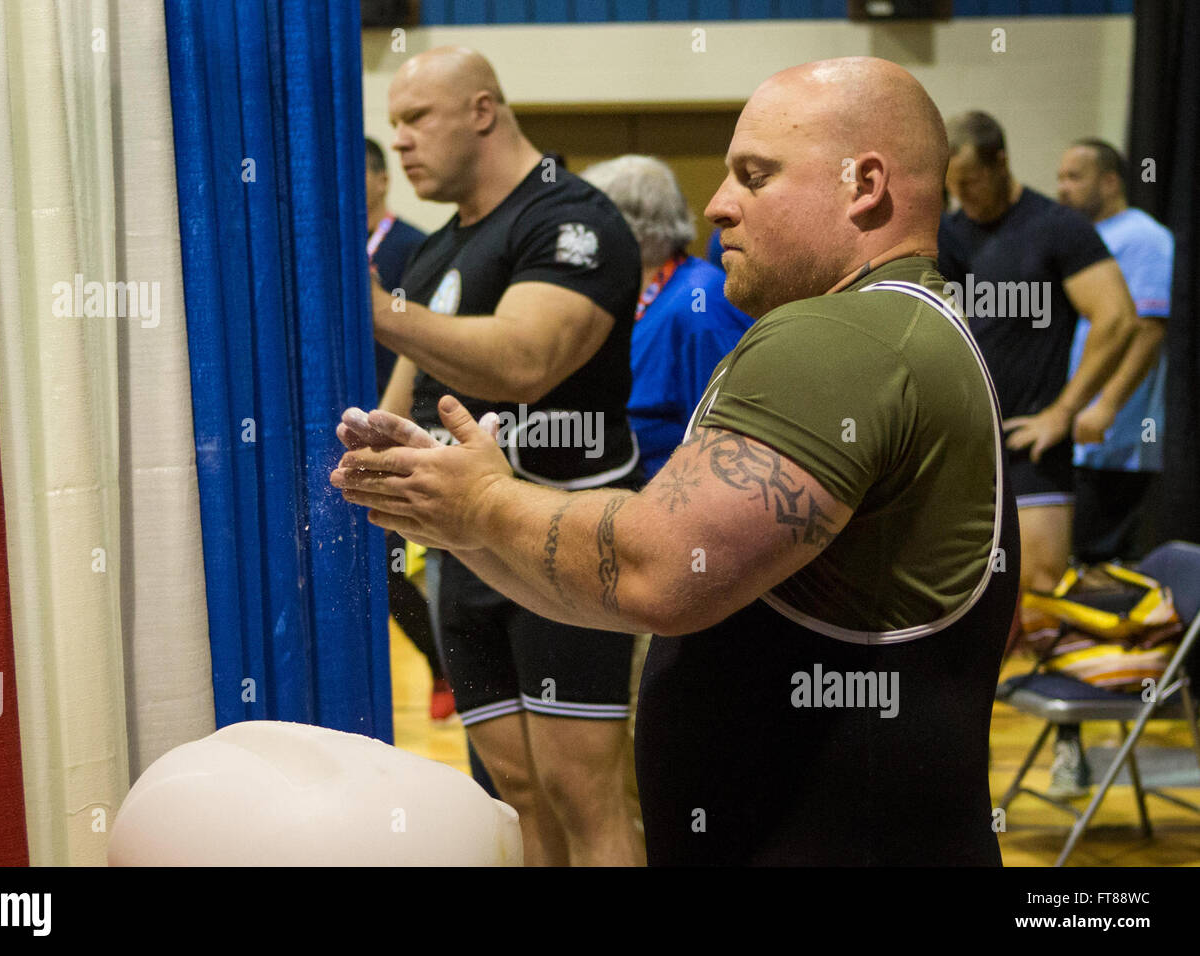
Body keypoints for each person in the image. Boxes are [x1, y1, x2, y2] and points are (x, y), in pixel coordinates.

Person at [335, 56, 1021, 865]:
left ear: (862, 184)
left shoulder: (841, 339)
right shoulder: (899, 328)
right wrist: (453, 510)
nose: (716, 205)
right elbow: (630, 593)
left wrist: (485, 504)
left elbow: (661, 571)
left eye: (754, 177)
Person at [370, 47, 645, 866]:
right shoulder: (434, 252)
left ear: (483, 110)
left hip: (564, 542)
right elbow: (405, 396)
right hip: (468, 556)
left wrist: (376, 306)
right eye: (395, 125)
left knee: (585, 793)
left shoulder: (572, 220)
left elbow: (525, 361)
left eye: (416, 118)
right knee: (516, 790)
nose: (403, 141)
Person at [937, 112, 1141, 623]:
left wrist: (1064, 411)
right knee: (952, 591)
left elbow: (1117, 318)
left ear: (1001, 161)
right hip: (961, 438)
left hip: (1032, 439)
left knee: (1038, 587)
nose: (964, 195)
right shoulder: (947, 234)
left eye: (972, 181)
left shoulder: (1056, 227)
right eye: (953, 186)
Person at [1045, 138, 1175, 799]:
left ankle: (1083, 736)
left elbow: (1148, 332)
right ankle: (1080, 732)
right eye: (1059, 177)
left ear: (1111, 180)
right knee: (1070, 583)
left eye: (1075, 176)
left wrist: (1105, 405)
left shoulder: (1143, 237)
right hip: (1073, 440)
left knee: (1089, 583)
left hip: (1113, 445)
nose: (1062, 187)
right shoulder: (1084, 241)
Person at [580, 155, 755, 479]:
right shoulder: (635, 291)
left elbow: (722, 444)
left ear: (625, 227)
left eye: (591, 221)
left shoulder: (701, 302)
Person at [363, 137, 450, 719]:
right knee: (380, 563)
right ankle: (442, 665)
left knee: (398, 556)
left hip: (404, 424)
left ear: (379, 178)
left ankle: (446, 667)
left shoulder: (414, 247)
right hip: (353, 420)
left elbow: (422, 345)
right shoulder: (331, 247)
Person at [365, 137, 427, 398]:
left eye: (357, 172)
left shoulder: (416, 244)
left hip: (394, 393)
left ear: (384, 181)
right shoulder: (328, 251)